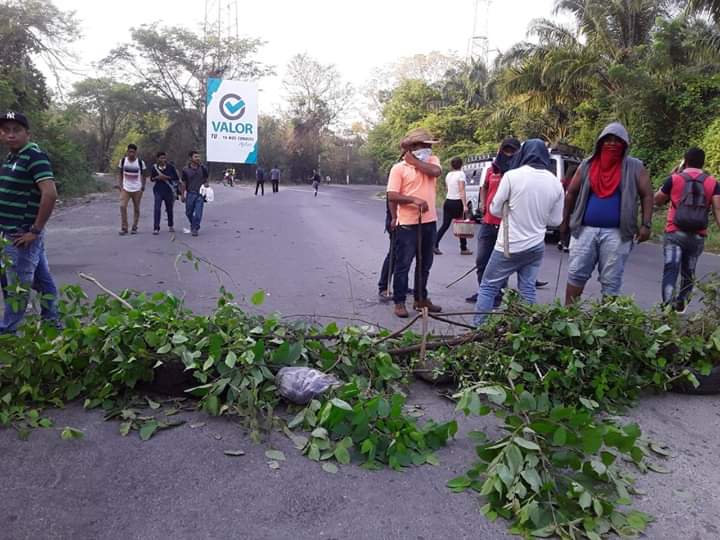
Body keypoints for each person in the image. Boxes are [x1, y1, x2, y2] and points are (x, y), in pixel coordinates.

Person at [473, 140, 564, 326]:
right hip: (536, 247)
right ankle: (527, 333)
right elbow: (556, 221)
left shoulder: (512, 176)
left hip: (509, 245)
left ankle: (477, 330)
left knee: (489, 286)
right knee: (528, 289)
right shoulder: (555, 182)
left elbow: (495, 209)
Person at [560, 122, 654, 304]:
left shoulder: (634, 167)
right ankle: (567, 317)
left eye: (617, 141)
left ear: (624, 145)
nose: (612, 144)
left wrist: (646, 224)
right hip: (584, 230)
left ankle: (606, 323)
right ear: (600, 143)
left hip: (617, 234)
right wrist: (565, 221)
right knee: (576, 274)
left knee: (611, 281)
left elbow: (647, 195)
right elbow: (571, 193)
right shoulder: (587, 164)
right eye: (607, 140)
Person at [0, 111, 60, 333]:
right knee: (42, 281)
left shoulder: (35, 156)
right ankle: (53, 323)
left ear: (28, 133)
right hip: (8, 232)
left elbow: (50, 194)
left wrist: (35, 230)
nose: (10, 135)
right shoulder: (13, 157)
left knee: (16, 287)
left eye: (16, 130)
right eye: (6, 130)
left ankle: (8, 332)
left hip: (21, 236)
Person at [654, 147, 720, 313]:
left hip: (674, 232)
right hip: (697, 236)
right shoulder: (713, 183)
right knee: (688, 271)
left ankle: (668, 307)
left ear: (685, 160)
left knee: (671, 269)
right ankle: (682, 301)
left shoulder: (675, 179)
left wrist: (671, 177)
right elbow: (718, 209)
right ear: (703, 162)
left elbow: (657, 200)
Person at [387, 127, 443, 318]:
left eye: (429, 145)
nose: (428, 149)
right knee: (403, 264)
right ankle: (399, 301)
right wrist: (412, 201)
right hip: (408, 224)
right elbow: (392, 195)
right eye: (424, 145)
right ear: (413, 147)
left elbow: (436, 172)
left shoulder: (431, 162)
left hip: (429, 222)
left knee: (425, 263)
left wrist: (416, 162)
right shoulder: (398, 168)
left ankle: (421, 299)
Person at [465, 137, 521, 304]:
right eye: (506, 150)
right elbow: (484, 187)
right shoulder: (492, 170)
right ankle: (484, 292)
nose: (509, 154)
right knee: (481, 260)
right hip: (489, 221)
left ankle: (498, 294)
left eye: (513, 151)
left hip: (507, 224)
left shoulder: (518, 173)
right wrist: (482, 203)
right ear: (500, 150)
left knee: (501, 263)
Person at [435, 157, 472, 256]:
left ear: (451, 165)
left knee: (445, 225)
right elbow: (461, 190)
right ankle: (463, 248)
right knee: (461, 225)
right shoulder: (461, 174)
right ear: (461, 165)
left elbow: (448, 188)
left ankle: (434, 244)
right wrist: (464, 205)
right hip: (457, 202)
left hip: (448, 201)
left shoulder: (448, 175)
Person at [117, 143, 146, 235]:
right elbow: (120, 173)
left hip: (137, 189)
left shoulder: (140, 163)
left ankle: (134, 226)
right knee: (122, 206)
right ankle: (124, 227)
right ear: (127, 152)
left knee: (136, 208)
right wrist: (120, 186)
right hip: (125, 188)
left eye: (133, 152)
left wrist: (142, 186)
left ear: (136, 152)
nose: (131, 154)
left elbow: (144, 175)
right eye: (130, 152)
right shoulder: (122, 161)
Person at [180, 150, 209, 237]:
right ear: (190, 158)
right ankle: (194, 224)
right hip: (190, 194)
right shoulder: (185, 170)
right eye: (195, 157)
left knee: (198, 213)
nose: (197, 158)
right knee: (188, 212)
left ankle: (195, 228)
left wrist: (206, 184)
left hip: (200, 194)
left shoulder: (203, 168)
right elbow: (183, 183)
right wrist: (182, 195)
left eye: (198, 157)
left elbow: (206, 179)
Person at [150, 151, 179, 235]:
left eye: (164, 158)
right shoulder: (154, 167)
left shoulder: (170, 167)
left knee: (169, 208)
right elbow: (152, 178)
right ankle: (156, 228)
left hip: (168, 190)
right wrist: (157, 177)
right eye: (161, 158)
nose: (163, 160)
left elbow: (175, 177)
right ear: (157, 159)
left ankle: (170, 225)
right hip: (158, 190)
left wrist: (166, 177)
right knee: (157, 208)